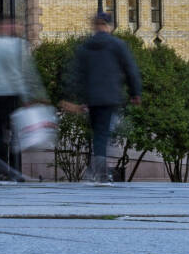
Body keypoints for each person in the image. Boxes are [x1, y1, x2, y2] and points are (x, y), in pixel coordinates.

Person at [61, 12, 142, 183]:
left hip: (92, 97)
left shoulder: (86, 46)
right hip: (111, 96)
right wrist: (135, 93)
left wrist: (73, 97)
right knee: (103, 134)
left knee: (99, 134)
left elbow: (76, 74)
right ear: (109, 26)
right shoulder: (117, 44)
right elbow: (130, 70)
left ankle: (97, 171)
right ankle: (101, 173)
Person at [0, 17, 46, 181]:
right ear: (5, 27)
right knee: (15, 133)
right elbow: (23, 72)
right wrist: (29, 96)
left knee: (0, 131)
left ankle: (2, 171)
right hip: (11, 93)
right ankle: (14, 171)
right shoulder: (16, 45)